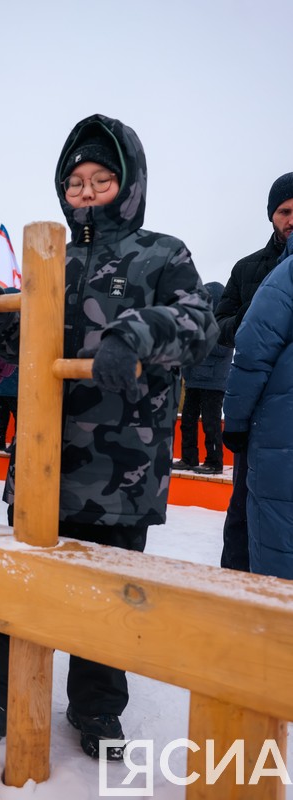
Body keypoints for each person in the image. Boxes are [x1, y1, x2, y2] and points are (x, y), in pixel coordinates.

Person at [0, 113, 219, 760]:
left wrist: (134, 332)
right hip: (45, 464)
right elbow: (22, 346)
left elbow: (197, 322)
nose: (86, 190)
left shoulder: (164, 252)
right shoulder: (51, 258)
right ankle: (1, 691)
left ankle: (98, 710)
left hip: (123, 470)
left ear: (128, 185)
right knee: (24, 587)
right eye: (75, 180)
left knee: (107, 602)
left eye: (102, 179)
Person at [215, 172, 293, 570]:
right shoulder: (249, 268)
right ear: (271, 216)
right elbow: (219, 323)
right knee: (245, 510)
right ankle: (233, 593)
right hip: (254, 412)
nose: (292, 218)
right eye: (285, 211)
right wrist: (253, 318)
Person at [173, 282, 233, 474]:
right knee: (188, 422)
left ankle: (214, 462)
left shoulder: (225, 323)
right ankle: (189, 458)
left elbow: (222, 350)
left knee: (211, 424)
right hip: (193, 379)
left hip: (214, 383)